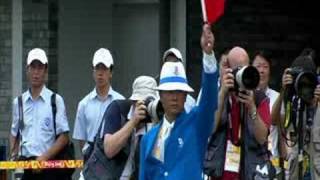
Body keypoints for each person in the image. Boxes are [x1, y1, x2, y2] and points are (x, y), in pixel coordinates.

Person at [139, 23, 218, 179]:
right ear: (160, 95)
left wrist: (208, 55)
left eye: (179, 92)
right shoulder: (149, 138)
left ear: (185, 95)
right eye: (169, 92)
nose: (174, 97)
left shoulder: (197, 123)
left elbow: (209, 100)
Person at [207, 46, 273, 179]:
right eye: (238, 69)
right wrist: (223, 93)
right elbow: (209, 129)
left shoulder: (259, 97)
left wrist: (252, 107)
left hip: (251, 173)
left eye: (245, 68)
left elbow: (262, 138)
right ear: (228, 69)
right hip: (220, 174)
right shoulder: (217, 94)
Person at [9, 48, 71, 180]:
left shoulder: (55, 100)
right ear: (27, 70)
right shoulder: (19, 102)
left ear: (45, 71)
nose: (36, 72)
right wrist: (14, 158)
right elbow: (14, 134)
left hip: (50, 167)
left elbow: (64, 137)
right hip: (26, 168)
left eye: (40, 68)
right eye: (33, 67)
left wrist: (44, 158)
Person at [271, 51, 320, 180]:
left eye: (308, 82)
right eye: (300, 82)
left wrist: (316, 105)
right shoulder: (292, 103)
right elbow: (274, 121)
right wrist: (284, 91)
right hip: (295, 172)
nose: (305, 87)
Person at [103, 76, 158, 179]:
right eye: (141, 102)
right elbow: (109, 150)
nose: (145, 107)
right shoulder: (118, 109)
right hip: (105, 175)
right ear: (133, 101)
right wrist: (133, 122)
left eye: (148, 103)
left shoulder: (155, 119)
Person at [73, 48, 124, 157]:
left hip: (115, 162)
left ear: (111, 72)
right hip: (92, 162)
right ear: (93, 72)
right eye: (97, 68)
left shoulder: (121, 102)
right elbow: (81, 140)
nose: (100, 73)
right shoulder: (84, 104)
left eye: (104, 68)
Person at [252, 50, 281, 177]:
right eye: (258, 66)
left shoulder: (277, 97)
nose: (262, 71)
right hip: (249, 164)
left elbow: (280, 128)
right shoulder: (243, 97)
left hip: (272, 165)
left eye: (265, 67)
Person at [162, 48, 196, 112]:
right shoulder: (157, 100)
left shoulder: (191, 102)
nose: (172, 66)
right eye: (168, 62)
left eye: (175, 62)